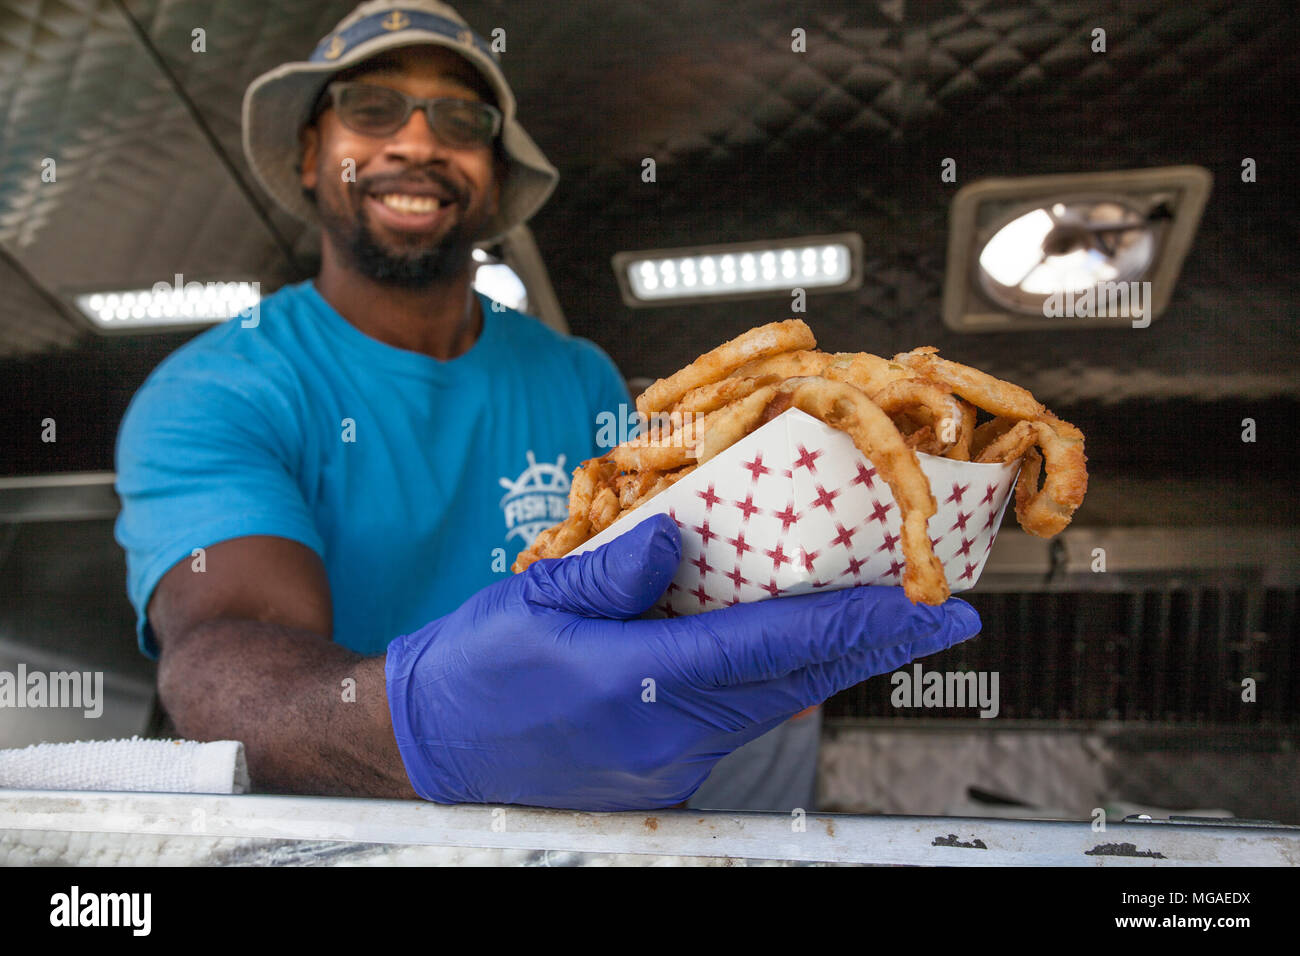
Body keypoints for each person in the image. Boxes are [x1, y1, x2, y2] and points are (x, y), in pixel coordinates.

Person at [114, 0, 981, 811]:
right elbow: (227, 643)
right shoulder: (217, 389)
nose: (417, 140)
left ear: (490, 180)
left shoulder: (575, 376)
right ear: (312, 156)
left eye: (461, 121)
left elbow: (668, 556)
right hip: (359, 821)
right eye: (371, 108)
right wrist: (422, 723)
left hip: (595, 803)